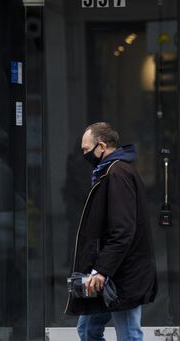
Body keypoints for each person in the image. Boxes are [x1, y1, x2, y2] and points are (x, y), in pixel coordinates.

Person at [65, 122, 157, 341]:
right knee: (87, 330)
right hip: (111, 273)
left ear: (102, 146)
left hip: (121, 275)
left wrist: (102, 271)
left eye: (87, 150)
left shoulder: (117, 174)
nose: (84, 155)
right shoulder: (111, 171)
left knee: (128, 335)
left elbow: (123, 230)